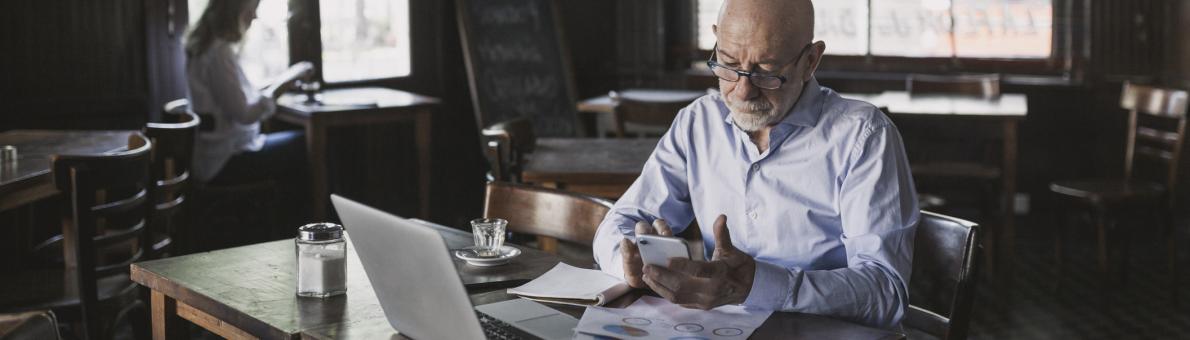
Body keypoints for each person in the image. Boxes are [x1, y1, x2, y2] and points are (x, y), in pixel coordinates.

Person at [591, 0, 919, 329]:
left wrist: (756, 286)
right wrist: (629, 263)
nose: (743, 91)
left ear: (810, 61)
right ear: (717, 42)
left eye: (765, 72)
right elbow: (619, 223)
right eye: (729, 64)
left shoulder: (863, 136)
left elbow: (885, 294)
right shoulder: (699, 121)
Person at [185, 0, 313, 185]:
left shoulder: (209, 48)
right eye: (252, 9)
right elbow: (245, 114)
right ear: (235, 9)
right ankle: (318, 211)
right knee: (306, 144)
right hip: (226, 160)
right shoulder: (219, 53)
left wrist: (279, 82)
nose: (254, 16)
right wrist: (284, 83)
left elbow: (237, 95)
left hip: (216, 156)